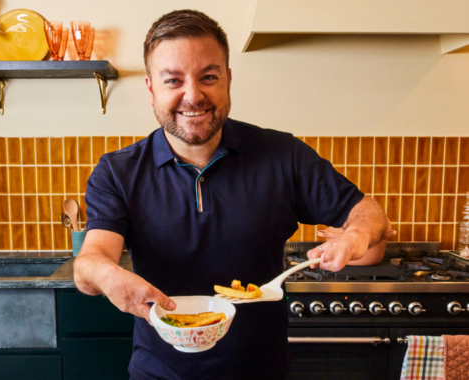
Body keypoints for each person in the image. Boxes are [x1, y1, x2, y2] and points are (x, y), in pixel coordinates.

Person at [73, 9, 390, 380]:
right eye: (173, 80)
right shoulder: (118, 171)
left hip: (260, 371)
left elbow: (370, 213)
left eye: (208, 76)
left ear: (228, 79)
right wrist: (107, 276)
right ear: (150, 89)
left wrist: (354, 237)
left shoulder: (283, 155)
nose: (193, 95)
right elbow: (91, 261)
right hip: (160, 372)